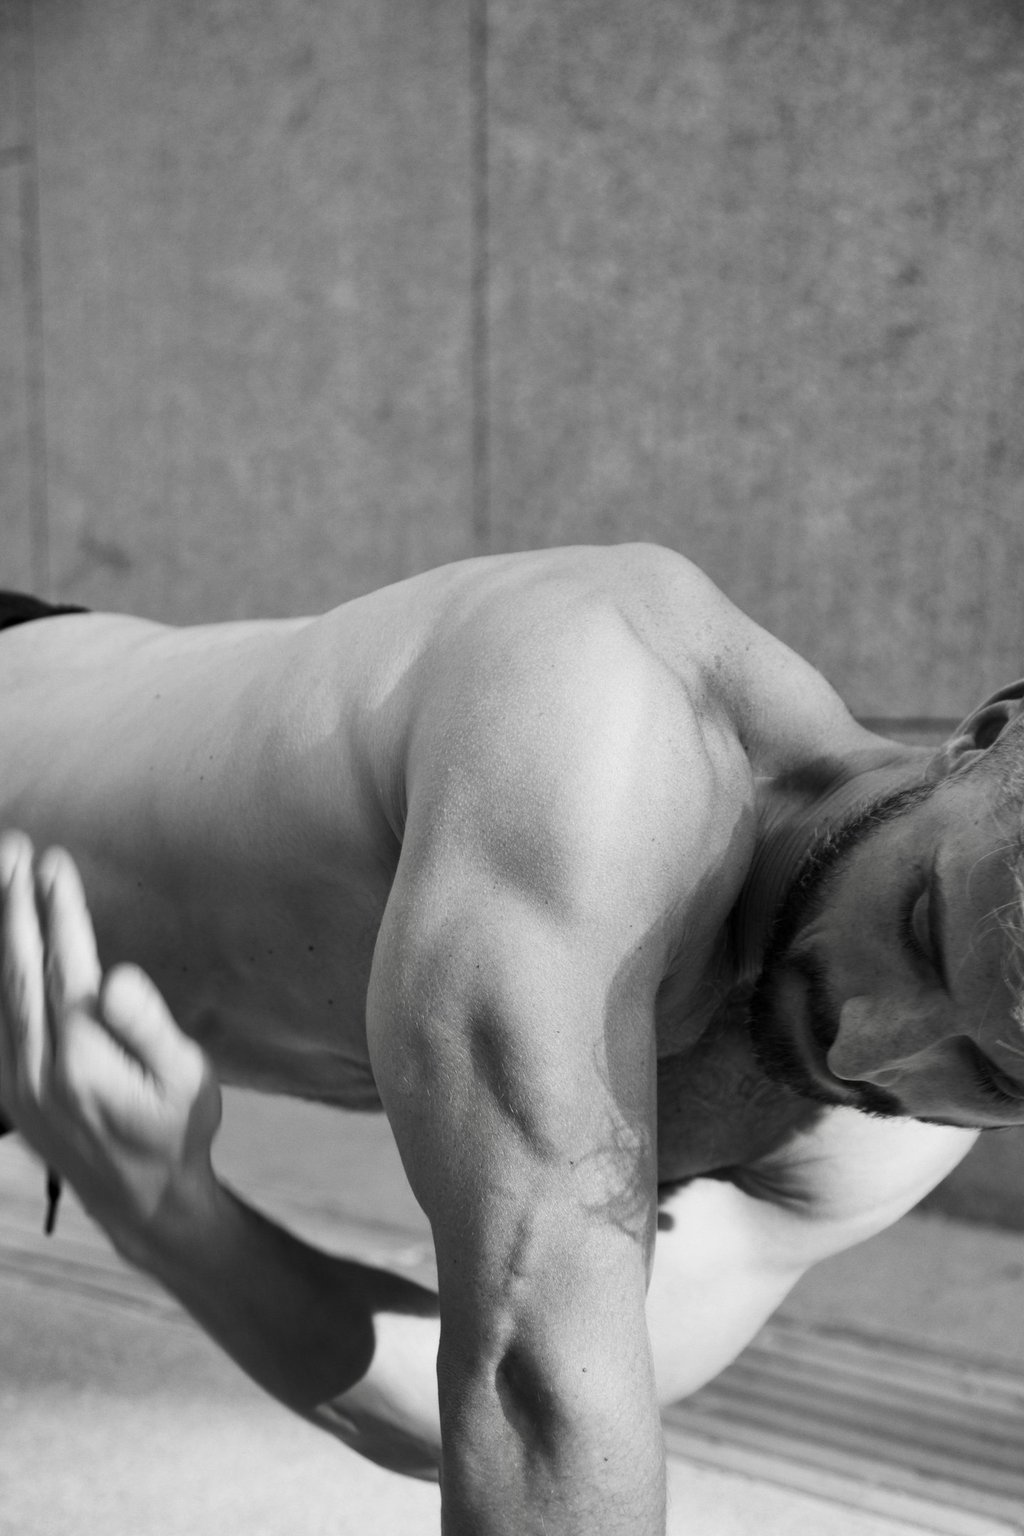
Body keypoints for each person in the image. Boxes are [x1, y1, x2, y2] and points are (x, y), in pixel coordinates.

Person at [0, 542, 1018, 1533]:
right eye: (920, 930)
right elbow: (543, 1410)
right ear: (980, 735)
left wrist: (175, 1219)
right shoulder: (601, 714)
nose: (864, 1052)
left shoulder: (873, 1139)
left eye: (983, 1070)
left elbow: (497, 1420)